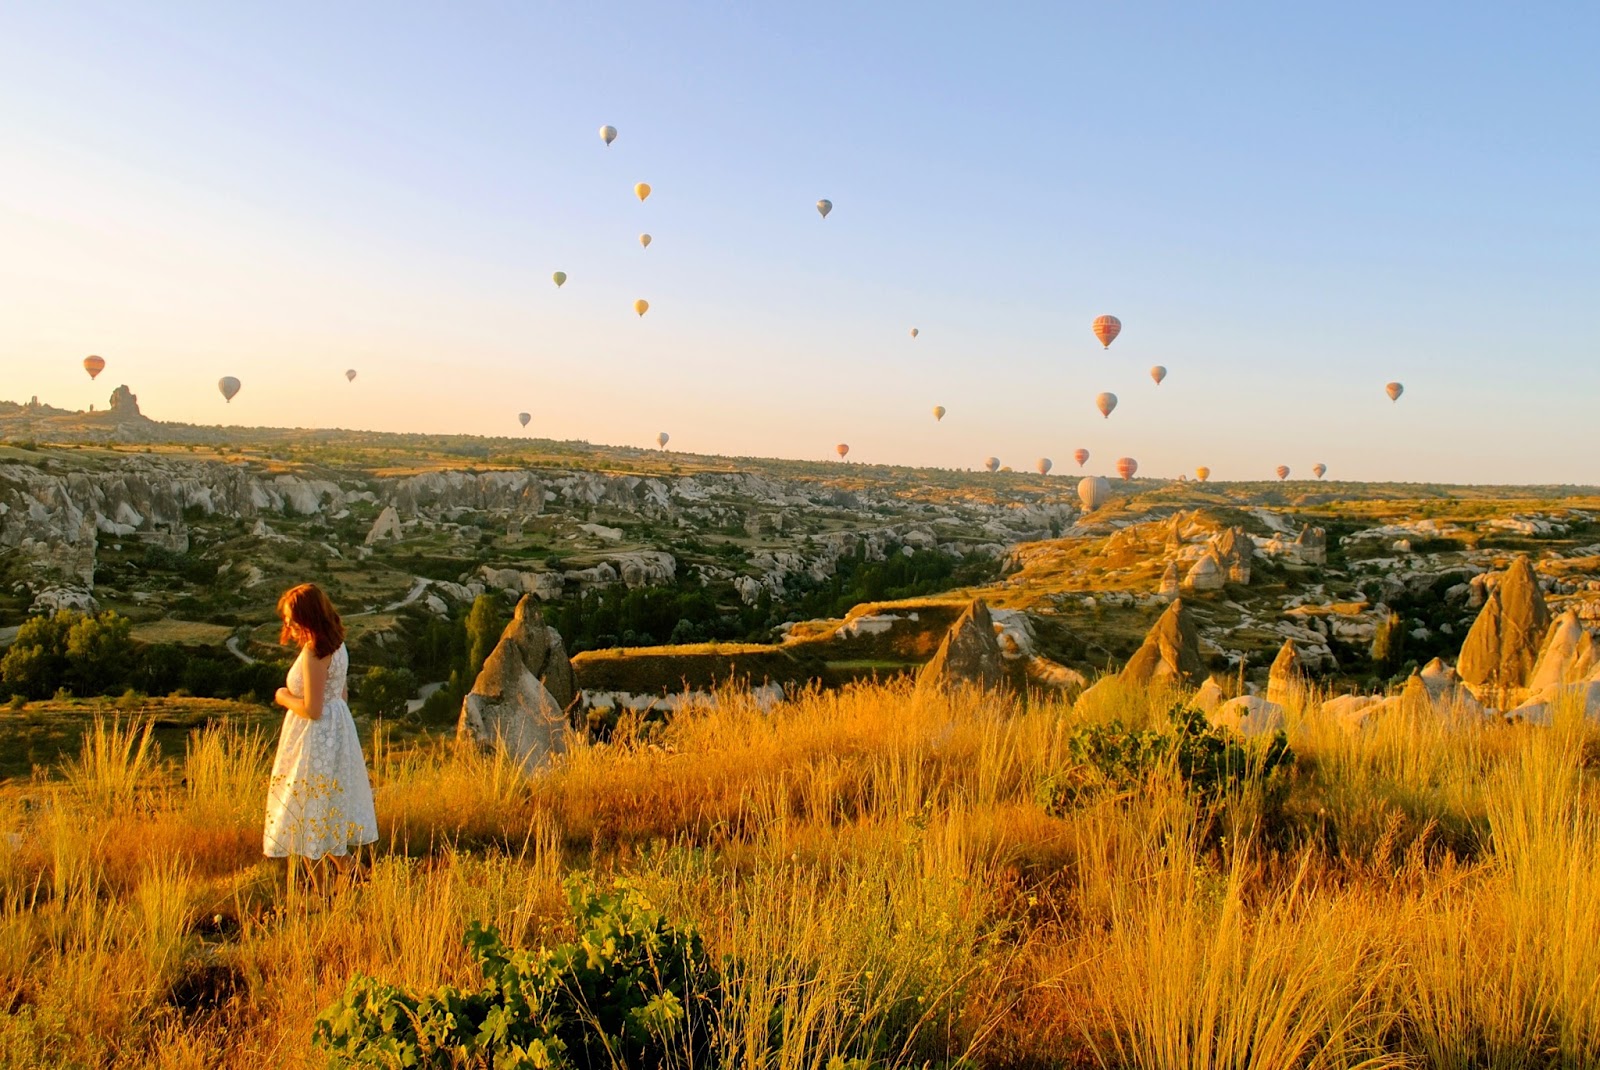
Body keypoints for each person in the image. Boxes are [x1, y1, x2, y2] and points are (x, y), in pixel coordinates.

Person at [263, 583, 377, 882]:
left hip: (314, 738)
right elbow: (342, 694)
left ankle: (324, 895)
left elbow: (313, 709)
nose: (287, 624)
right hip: (336, 730)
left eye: (291, 618)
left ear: (307, 617)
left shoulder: (315, 652)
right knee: (322, 818)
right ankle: (357, 877)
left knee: (307, 820)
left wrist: (283, 696)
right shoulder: (337, 645)